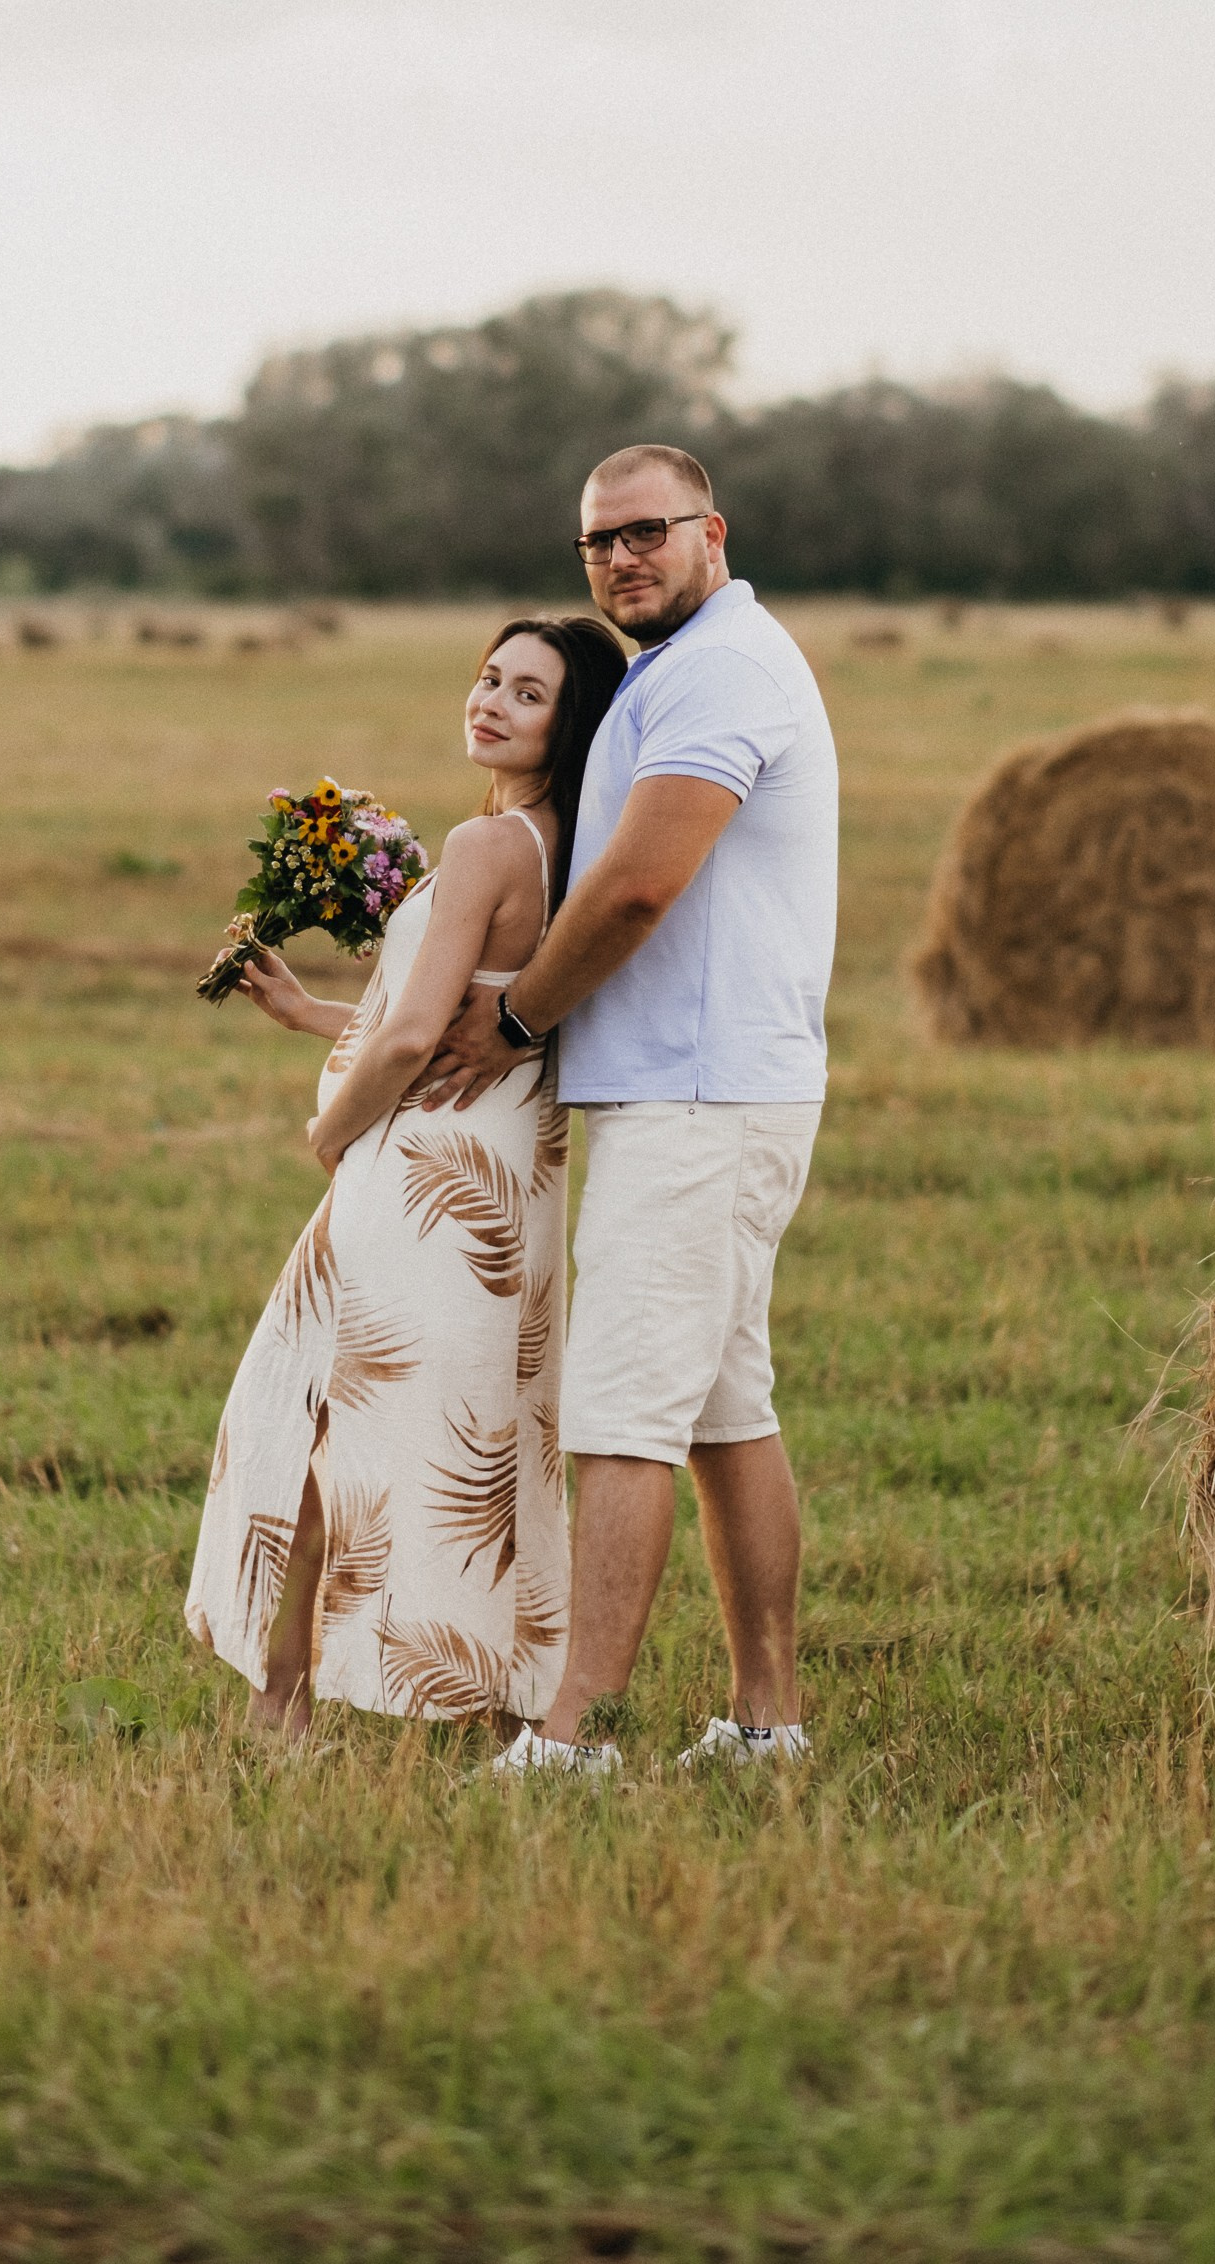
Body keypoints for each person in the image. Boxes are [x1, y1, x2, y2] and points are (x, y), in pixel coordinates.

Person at [421, 444, 838, 1778]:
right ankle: (764, 1725)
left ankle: (565, 1734)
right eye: (597, 542)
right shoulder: (690, 661)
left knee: (622, 1413)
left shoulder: (721, 668)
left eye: (644, 533)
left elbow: (640, 885)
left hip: (700, 1099)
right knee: (722, 1407)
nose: (619, 558)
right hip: (713, 1089)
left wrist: (519, 1014)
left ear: (709, 530)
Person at [184, 613, 629, 1740]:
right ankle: (482, 1696)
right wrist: (308, 1012)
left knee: (331, 1428)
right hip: (504, 1189)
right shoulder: (564, 847)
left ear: (565, 723)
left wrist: (329, 1129)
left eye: (526, 694)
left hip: (419, 1180)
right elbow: (452, 1028)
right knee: (471, 1432)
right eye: (487, 678)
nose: (489, 700)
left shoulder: (483, 849)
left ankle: (281, 1693)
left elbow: (406, 1043)